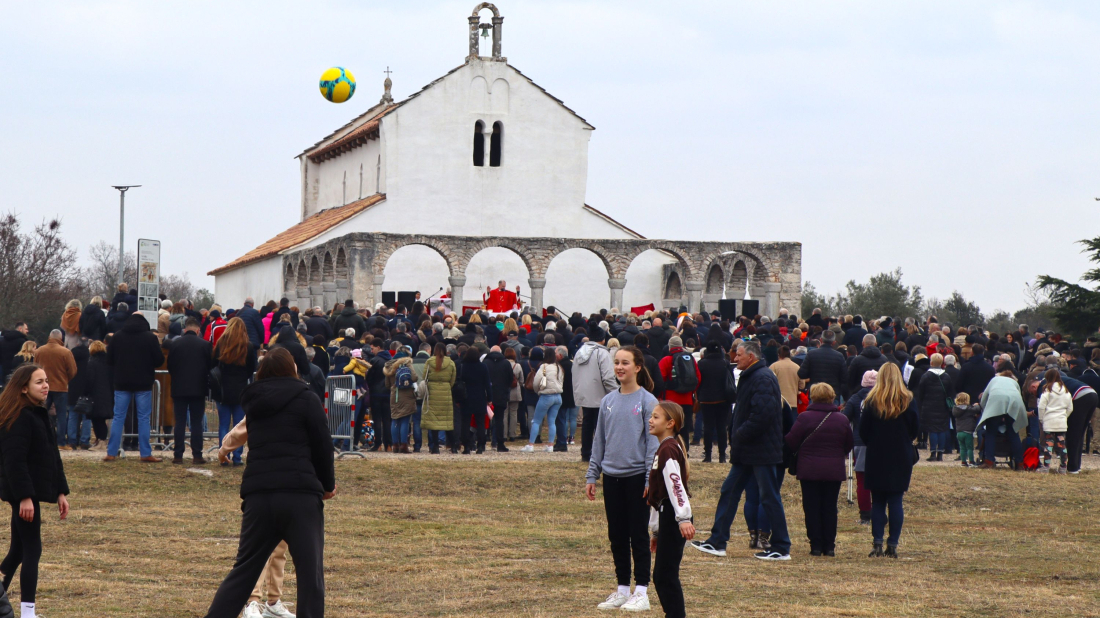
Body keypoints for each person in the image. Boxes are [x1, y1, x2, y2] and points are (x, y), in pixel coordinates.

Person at [202, 348, 336, 618]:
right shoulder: (307, 399)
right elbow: (323, 444)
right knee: (311, 576)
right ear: (293, 369)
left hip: (259, 494)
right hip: (299, 494)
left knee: (243, 571)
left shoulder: (254, 404)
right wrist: (327, 484)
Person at [692, 339, 792, 561]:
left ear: (751, 357)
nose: (734, 358)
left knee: (769, 497)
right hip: (748, 450)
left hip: (761, 450)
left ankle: (781, 546)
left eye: (738, 355)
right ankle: (717, 541)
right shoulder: (752, 376)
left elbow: (762, 416)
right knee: (729, 492)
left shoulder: (763, 378)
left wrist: (739, 434)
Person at [585, 346, 659, 612]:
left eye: (625, 363)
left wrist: (651, 479)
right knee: (616, 535)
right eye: (616, 362)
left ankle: (641, 591)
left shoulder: (648, 401)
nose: (619, 367)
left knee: (637, 534)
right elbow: (599, 441)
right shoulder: (608, 401)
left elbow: (653, 444)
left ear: (637, 367)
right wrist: (593, 473)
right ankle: (621, 589)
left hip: (637, 478)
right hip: (612, 478)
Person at [0, 365, 70, 618]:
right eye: (39, 382)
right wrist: (24, 497)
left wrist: (61, 491)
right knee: (32, 549)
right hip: (23, 495)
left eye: (46, 380)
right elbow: (13, 462)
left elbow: (52, 456)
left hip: (30, 493)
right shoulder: (18, 417)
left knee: (18, 551)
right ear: (23, 388)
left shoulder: (37, 414)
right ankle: (28, 612)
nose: (45, 385)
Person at [217, 419, 296, 618]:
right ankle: (252, 601)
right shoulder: (263, 401)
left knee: (280, 548)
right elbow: (241, 430)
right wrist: (224, 448)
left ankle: (273, 601)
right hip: (264, 484)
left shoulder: (299, 402)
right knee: (259, 549)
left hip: (289, 481)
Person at [786, 383, 853, 557]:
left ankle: (815, 545)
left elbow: (791, 441)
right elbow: (848, 445)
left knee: (811, 507)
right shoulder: (842, 419)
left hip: (809, 469)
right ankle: (829, 545)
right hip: (833, 469)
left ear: (813, 396)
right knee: (830, 507)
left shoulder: (804, 418)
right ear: (832, 396)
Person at [859, 362, 918, 559]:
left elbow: (863, 431)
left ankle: (877, 542)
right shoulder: (908, 400)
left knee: (877, 502)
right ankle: (892, 544)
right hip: (900, 454)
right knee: (895, 500)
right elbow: (915, 428)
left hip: (877, 453)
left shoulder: (871, 400)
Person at [646, 401, 694, 618]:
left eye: (656, 417)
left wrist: (683, 518)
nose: (650, 420)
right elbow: (658, 496)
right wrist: (656, 531)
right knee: (662, 574)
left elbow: (676, 486)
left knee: (665, 574)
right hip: (668, 516)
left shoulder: (668, 449)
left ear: (670, 423)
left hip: (675, 517)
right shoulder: (665, 447)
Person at [105, 311, 165, 462]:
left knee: (118, 417)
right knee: (143, 418)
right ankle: (145, 453)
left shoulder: (118, 336)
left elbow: (109, 359)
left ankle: (111, 452)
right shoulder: (150, 337)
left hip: (121, 382)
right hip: (143, 383)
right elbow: (158, 360)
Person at [162, 317, 213, 464]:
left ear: (185, 329)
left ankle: (178, 455)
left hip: (179, 388)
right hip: (198, 388)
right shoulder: (205, 345)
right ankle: (197, 455)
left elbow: (170, 366)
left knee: (180, 422)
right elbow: (210, 366)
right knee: (196, 423)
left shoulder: (175, 344)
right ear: (198, 331)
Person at [213, 318, 258, 467]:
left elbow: (214, 364)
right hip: (240, 389)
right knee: (239, 426)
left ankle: (223, 455)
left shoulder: (221, 344)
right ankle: (237, 457)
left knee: (223, 425)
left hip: (223, 390)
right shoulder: (248, 347)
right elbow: (252, 367)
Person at [572, 329, 618, 463]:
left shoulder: (579, 352)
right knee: (601, 427)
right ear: (602, 339)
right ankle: (601, 454)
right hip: (600, 395)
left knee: (587, 424)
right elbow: (608, 377)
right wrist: (616, 392)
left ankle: (586, 453)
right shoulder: (602, 353)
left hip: (584, 394)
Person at [976, 362, 1028, 469]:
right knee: (1013, 433)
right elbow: (1019, 396)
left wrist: (985, 410)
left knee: (991, 432)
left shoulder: (994, 380)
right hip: (1013, 402)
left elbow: (984, 397)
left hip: (996, 402)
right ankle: (1019, 463)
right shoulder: (1014, 383)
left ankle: (989, 461)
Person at [32, 331, 77, 449]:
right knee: (61, 416)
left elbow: (34, 368)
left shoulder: (39, 351)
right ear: (60, 338)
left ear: (49, 337)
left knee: (41, 414)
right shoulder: (65, 352)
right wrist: (65, 379)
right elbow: (73, 370)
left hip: (43, 387)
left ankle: (41, 440)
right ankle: (61, 442)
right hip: (61, 387)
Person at [844, 370, 877, 524]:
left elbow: (845, 418)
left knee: (862, 481)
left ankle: (865, 515)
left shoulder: (856, 398)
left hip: (860, 442)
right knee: (880, 480)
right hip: (880, 443)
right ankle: (879, 512)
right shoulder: (883, 397)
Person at [696, 340, 733, 463]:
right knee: (721, 427)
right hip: (723, 399)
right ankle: (722, 455)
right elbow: (730, 380)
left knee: (708, 427)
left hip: (706, 399)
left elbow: (698, 382)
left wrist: (699, 395)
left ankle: (708, 455)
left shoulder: (701, 364)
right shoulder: (725, 363)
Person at [914, 353, 955, 462]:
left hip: (929, 406)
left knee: (932, 430)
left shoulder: (926, 376)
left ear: (931, 362)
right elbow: (950, 392)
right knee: (942, 429)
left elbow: (920, 392)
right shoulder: (946, 376)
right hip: (942, 406)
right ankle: (940, 453)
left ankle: (933, 452)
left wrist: (922, 403)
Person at [523, 347, 564, 453]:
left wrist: (538, 391)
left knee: (536, 420)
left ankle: (531, 444)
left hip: (546, 396)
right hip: (558, 396)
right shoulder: (558, 367)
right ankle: (551, 445)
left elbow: (536, 382)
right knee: (552, 421)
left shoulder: (544, 366)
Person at [421, 344, 456, 454]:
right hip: (446, 392)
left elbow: (424, 377)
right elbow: (453, 379)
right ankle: (454, 446)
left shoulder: (430, 361)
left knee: (433, 422)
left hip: (432, 392)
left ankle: (435, 447)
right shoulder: (450, 362)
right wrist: (446, 386)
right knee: (447, 422)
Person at [383, 347, 419, 453]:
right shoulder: (407, 363)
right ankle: (403, 445)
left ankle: (395, 445)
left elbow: (387, 384)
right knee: (405, 420)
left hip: (394, 395)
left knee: (395, 419)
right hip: (407, 395)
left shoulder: (389, 365)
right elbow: (414, 377)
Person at [797, 330, 847, 403]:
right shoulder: (839, 356)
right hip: (832, 394)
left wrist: (812, 373)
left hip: (815, 393)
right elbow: (844, 378)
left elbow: (801, 374)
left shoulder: (811, 354)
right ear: (834, 342)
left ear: (821, 340)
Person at [458, 346, 492, 454]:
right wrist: (489, 398)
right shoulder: (483, 367)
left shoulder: (462, 366)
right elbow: (487, 384)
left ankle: (466, 446)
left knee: (465, 423)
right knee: (480, 423)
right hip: (480, 397)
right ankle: (481, 445)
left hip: (465, 397)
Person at [1037, 368, 1071, 473]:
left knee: (1049, 444)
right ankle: (1063, 468)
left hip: (1049, 421)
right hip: (1061, 421)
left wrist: (1042, 418)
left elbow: (1041, 407)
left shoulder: (1047, 390)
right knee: (1062, 445)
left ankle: (1046, 467)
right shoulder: (1066, 391)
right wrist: (1064, 416)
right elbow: (1070, 408)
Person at [483, 346, 513, 452]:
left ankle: (481, 444)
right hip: (501, 395)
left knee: (482, 419)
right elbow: (511, 379)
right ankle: (500, 444)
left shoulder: (485, 362)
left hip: (486, 395)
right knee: (499, 420)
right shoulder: (506, 363)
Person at [951, 393, 980, 467]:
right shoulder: (968, 409)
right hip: (968, 432)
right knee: (970, 448)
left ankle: (963, 462)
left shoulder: (955, 409)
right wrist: (977, 405)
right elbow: (977, 409)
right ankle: (971, 461)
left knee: (962, 448)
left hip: (959, 432)